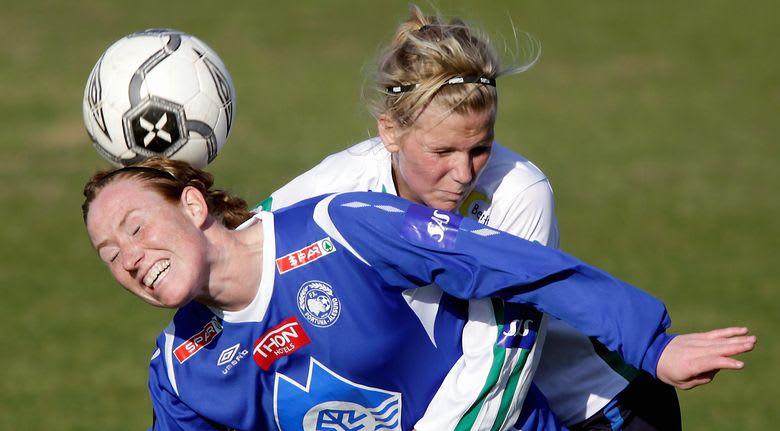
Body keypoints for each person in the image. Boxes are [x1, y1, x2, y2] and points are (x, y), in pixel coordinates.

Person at [82, 157, 755, 430]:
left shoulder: (340, 227)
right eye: (110, 254)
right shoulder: (182, 370)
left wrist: (651, 343)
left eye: (135, 228)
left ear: (194, 204)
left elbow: (513, 265)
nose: (129, 258)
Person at [258, 5, 676, 429]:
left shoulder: (517, 193)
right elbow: (244, 251)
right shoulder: (337, 187)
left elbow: (497, 370)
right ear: (390, 131)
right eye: (441, 151)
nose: (462, 174)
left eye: (480, 149)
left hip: (603, 408)